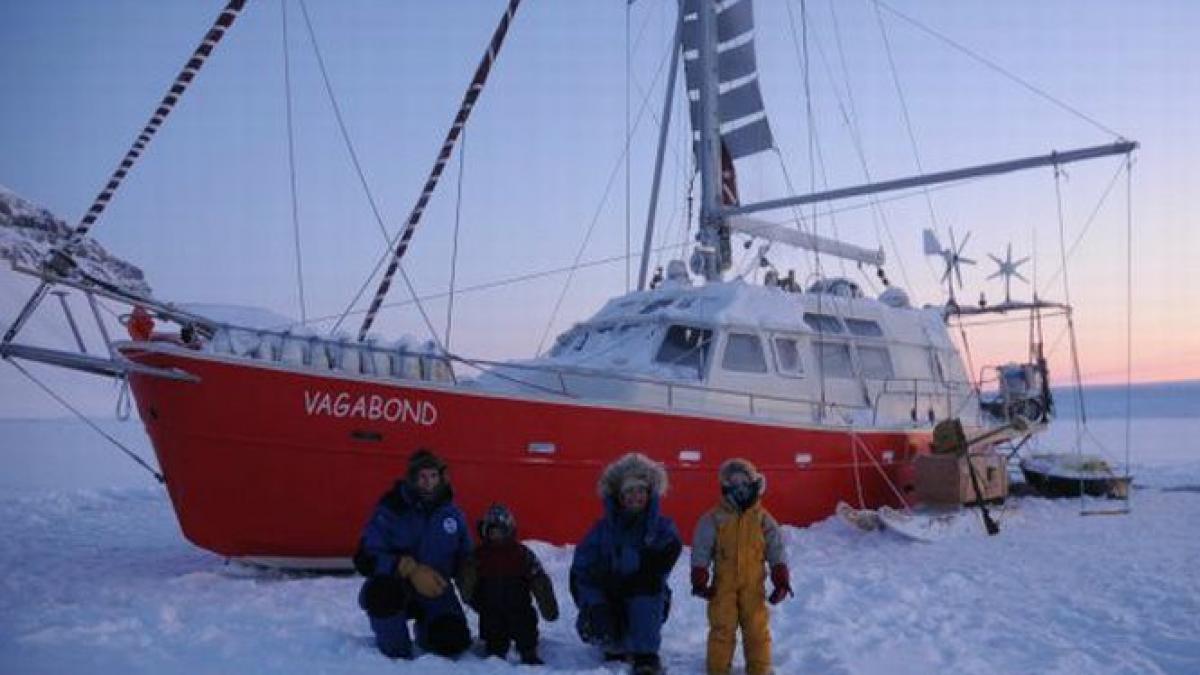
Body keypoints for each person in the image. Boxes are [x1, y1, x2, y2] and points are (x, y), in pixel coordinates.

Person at [353, 449, 473, 660]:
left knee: (453, 642)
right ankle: (396, 652)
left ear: (442, 477)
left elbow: (466, 557)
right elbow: (365, 557)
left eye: (433, 476)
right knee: (382, 594)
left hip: (435, 588)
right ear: (412, 478)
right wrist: (407, 568)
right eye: (422, 477)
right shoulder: (391, 509)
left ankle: (428, 632)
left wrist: (471, 581)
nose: (428, 483)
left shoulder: (453, 515)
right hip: (397, 586)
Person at [570, 452, 682, 675]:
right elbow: (581, 571)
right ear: (618, 498)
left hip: (645, 597)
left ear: (650, 494)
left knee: (647, 587)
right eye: (628, 491)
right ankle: (613, 640)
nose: (635, 496)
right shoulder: (601, 530)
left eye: (640, 490)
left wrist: (651, 564)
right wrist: (595, 604)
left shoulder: (661, 527)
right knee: (605, 629)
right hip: (611, 594)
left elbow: (669, 551)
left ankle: (646, 656)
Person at [690, 458, 792, 675]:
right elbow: (701, 548)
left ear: (754, 485)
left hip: (753, 587)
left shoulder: (763, 520)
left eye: (744, 483)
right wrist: (699, 578)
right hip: (722, 588)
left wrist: (781, 579)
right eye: (733, 484)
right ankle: (717, 669)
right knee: (722, 629)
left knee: (757, 630)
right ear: (725, 487)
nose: (740, 489)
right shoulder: (714, 518)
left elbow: (776, 550)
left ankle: (760, 669)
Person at [464, 503, 559, 665]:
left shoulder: (521, 554)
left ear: (509, 530)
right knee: (492, 629)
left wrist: (548, 607)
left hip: (519, 604)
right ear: (485, 531)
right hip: (491, 606)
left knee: (525, 626)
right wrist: (472, 598)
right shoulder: (479, 556)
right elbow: (466, 581)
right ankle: (495, 652)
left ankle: (528, 651)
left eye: (500, 532)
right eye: (492, 532)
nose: (496, 536)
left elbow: (539, 581)